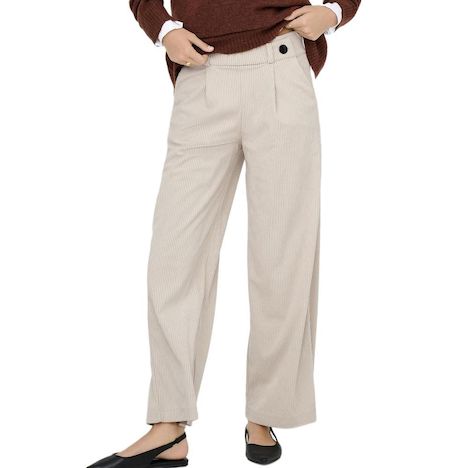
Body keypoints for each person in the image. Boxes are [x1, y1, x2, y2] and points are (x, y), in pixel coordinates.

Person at [87, 1, 361, 466]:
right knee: (174, 257)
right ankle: (169, 425)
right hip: (201, 72)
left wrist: (335, 12)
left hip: (280, 64)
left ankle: (266, 413)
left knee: (281, 257)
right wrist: (163, 29)